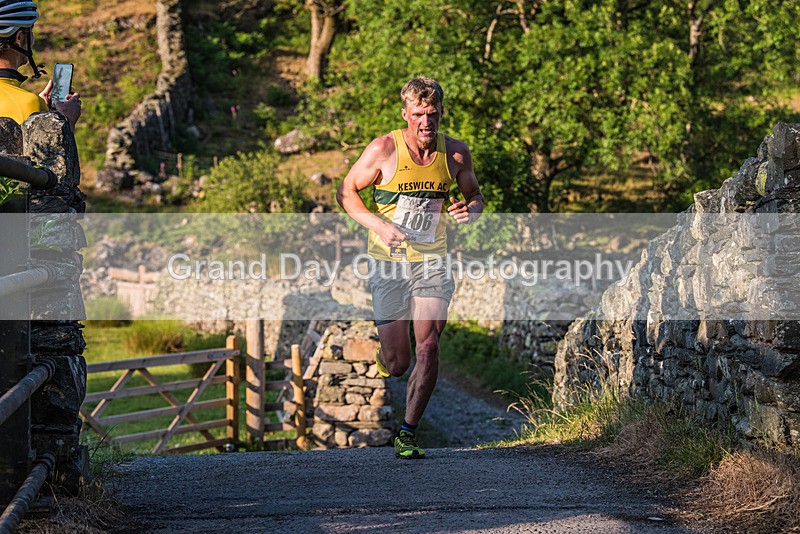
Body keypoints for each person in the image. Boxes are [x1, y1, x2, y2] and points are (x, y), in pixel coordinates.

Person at [337, 76, 484, 459]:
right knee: (399, 363)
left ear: (440, 113)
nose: (425, 122)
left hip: (432, 261)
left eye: (432, 114)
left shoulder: (455, 154)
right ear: (406, 114)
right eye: (418, 114)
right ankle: (385, 359)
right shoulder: (383, 149)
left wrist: (470, 210)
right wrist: (380, 225)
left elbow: (476, 195)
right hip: (389, 264)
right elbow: (346, 192)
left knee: (430, 346)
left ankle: (407, 432)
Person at [0, 0, 81, 130]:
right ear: (19, 38)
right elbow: (52, 150)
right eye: (30, 31)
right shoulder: (28, 105)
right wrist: (65, 122)